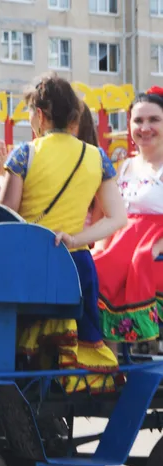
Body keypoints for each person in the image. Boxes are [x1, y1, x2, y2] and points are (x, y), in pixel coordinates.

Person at [0, 73, 127, 393]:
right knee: (69, 354)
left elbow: (6, 216)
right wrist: (75, 239)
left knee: (24, 361)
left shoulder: (24, 154)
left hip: (30, 269)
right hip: (77, 268)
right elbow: (117, 218)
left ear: (39, 115)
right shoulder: (96, 157)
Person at [92, 87, 163, 347]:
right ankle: (106, 366)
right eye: (138, 120)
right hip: (120, 242)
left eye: (154, 119)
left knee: (136, 263)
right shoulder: (123, 168)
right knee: (93, 269)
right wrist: (99, 247)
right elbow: (105, 215)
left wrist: (155, 248)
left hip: (153, 248)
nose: (145, 127)